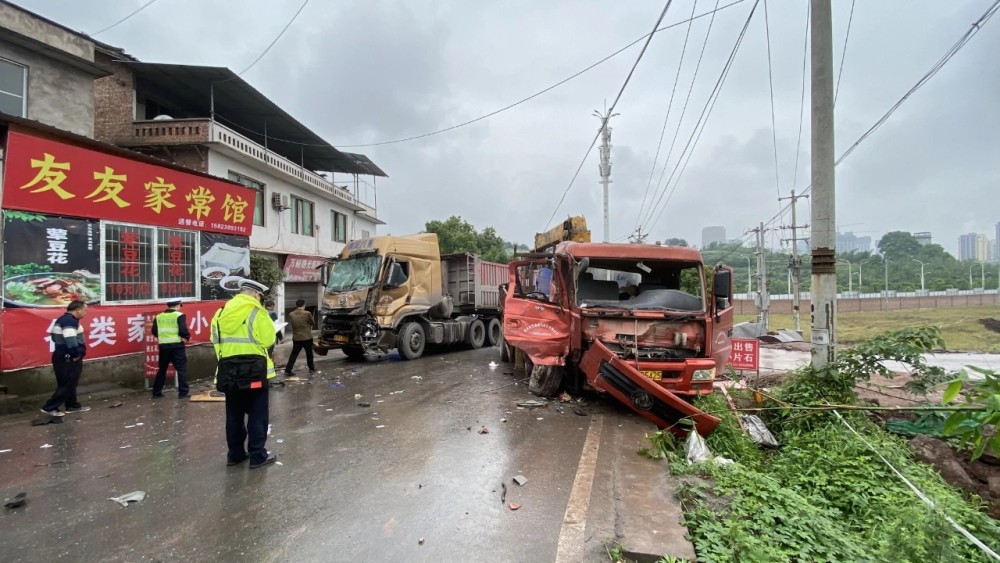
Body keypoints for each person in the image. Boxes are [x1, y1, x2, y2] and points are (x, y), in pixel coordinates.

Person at [212, 279, 278, 469]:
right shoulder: (258, 312)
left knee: (234, 415)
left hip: (229, 372)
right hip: (254, 372)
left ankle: (235, 455)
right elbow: (267, 340)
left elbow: (215, 341)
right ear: (256, 294)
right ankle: (257, 456)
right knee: (257, 415)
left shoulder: (220, 313)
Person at [41, 300, 90, 417]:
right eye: (85, 310)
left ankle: (72, 405)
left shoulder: (63, 319)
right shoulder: (69, 321)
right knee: (68, 383)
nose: (86, 313)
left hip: (61, 355)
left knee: (68, 383)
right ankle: (50, 407)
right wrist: (76, 355)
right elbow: (71, 340)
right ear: (77, 310)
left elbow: (53, 337)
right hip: (68, 358)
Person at [151, 299, 191, 399]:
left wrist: (163, 337)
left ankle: (156, 392)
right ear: (177, 305)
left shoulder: (159, 316)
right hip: (177, 346)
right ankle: (183, 393)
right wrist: (187, 337)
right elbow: (182, 329)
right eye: (180, 306)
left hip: (163, 346)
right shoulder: (179, 315)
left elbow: (154, 331)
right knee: (181, 369)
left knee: (162, 370)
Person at [284, 299, 316, 375]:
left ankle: (288, 370)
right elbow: (312, 323)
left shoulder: (291, 314)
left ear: (296, 305)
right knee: (309, 353)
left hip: (296, 338)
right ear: (304, 305)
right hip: (307, 337)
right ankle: (311, 368)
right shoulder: (307, 313)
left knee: (294, 354)